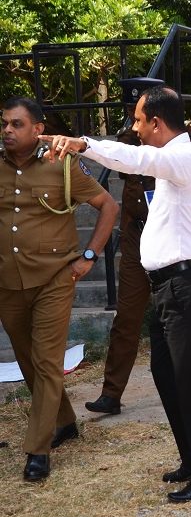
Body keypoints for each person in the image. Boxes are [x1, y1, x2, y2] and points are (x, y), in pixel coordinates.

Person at [40, 86, 191, 502]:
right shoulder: (171, 161)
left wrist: (84, 144)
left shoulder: (181, 157)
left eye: (140, 121)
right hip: (167, 286)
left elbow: (137, 159)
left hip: (184, 284)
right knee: (168, 376)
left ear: (157, 123)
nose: (136, 129)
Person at [0, 97, 118, 482]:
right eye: (4, 123)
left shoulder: (62, 164)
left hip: (54, 279)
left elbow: (108, 206)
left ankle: (38, 449)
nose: (7, 130)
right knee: (28, 360)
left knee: (47, 361)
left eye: (17, 124)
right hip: (8, 281)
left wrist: (89, 255)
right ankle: (65, 420)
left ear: (38, 129)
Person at [85, 77, 162, 416]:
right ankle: (111, 393)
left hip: (167, 239)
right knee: (126, 319)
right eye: (129, 109)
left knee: (181, 320)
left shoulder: (175, 140)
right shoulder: (126, 138)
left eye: (138, 110)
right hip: (135, 239)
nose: (133, 117)